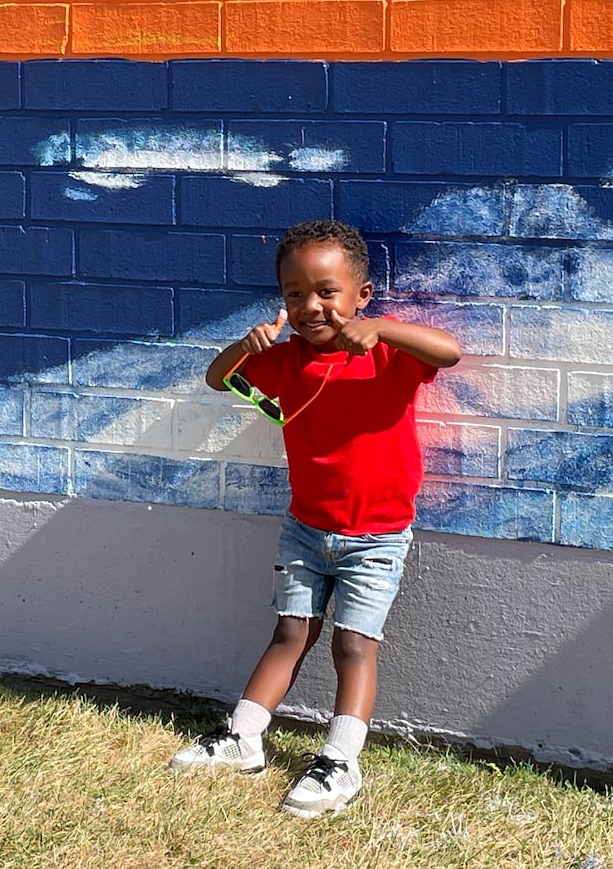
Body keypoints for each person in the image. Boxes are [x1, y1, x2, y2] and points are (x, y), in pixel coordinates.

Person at [168, 218, 461, 818]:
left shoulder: (388, 354)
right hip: (305, 528)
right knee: (291, 633)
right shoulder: (283, 361)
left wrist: (382, 331)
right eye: (294, 293)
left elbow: (450, 353)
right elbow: (217, 379)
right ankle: (244, 736)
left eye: (327, 291)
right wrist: (244, 347)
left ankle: (340, 760)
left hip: (375, 539)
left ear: (361, 294)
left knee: (354, 645)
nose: (310, 306)